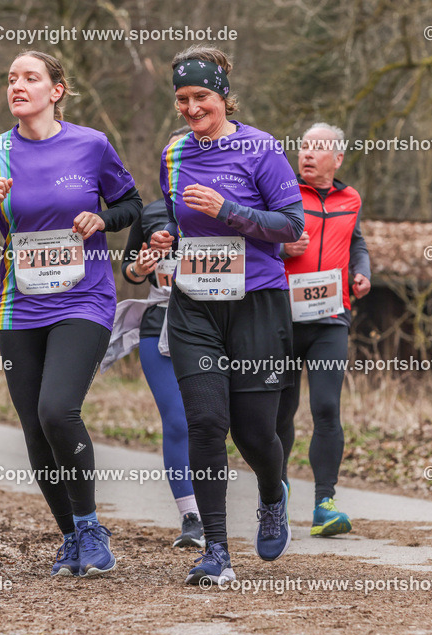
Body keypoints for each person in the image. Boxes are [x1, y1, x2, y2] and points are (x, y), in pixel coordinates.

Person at [0, 50, 141, 578]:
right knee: (35, 429)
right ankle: (73, 537)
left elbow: (133, 205)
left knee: (58, 410)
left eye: (30, 77)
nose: (18, 85)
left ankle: (92, 526)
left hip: (85, 298)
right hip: (21, 306)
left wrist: (101, 218)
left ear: (56, 90)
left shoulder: (91, 144)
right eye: (11, 77)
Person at [149, 46, 305, 586]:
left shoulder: (261, 148)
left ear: (223, 98)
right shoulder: (172, 154)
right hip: (195, 304)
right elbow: (169, 217)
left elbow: (291, 226)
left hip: (258, 301)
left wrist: (230, 213)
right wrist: (160, 240)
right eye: (183, 99)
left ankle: (271, 494)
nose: (192, 108)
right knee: (207, 423)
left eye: (202, 98)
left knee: (256, 432)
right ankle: (216, 550)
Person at [101, 126, 204, 549]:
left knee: (218, 423)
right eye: (176, 164)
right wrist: (142, 267)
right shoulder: (153, 213)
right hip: (158, 323)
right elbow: (128, 270)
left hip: (214, 327)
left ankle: (269, 494)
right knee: (178, 422)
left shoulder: (232, 209)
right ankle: (192, 518)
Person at [276, 123, 370, 536]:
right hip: (282, 316)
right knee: (280, 411)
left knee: (327, 408)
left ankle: (324, 505)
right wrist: (280, 247)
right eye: (303, 148)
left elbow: (357, 243)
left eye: (318, 148)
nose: (307, 155)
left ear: (338, 158)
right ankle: (274, 498)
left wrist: (362, 273)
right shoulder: (283, 193)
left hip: (331, 318)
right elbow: (252, 238)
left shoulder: (351, 199)